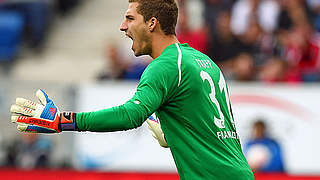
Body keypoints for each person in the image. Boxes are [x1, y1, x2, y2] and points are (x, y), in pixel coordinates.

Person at [10, 0, 254, 179]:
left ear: (152, 23)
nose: (122, 26)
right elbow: (217, 129)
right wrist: (174, 136)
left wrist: (62, 120)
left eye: (130, 18)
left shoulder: (165, 66)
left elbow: (130, 115)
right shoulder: (203, 62)